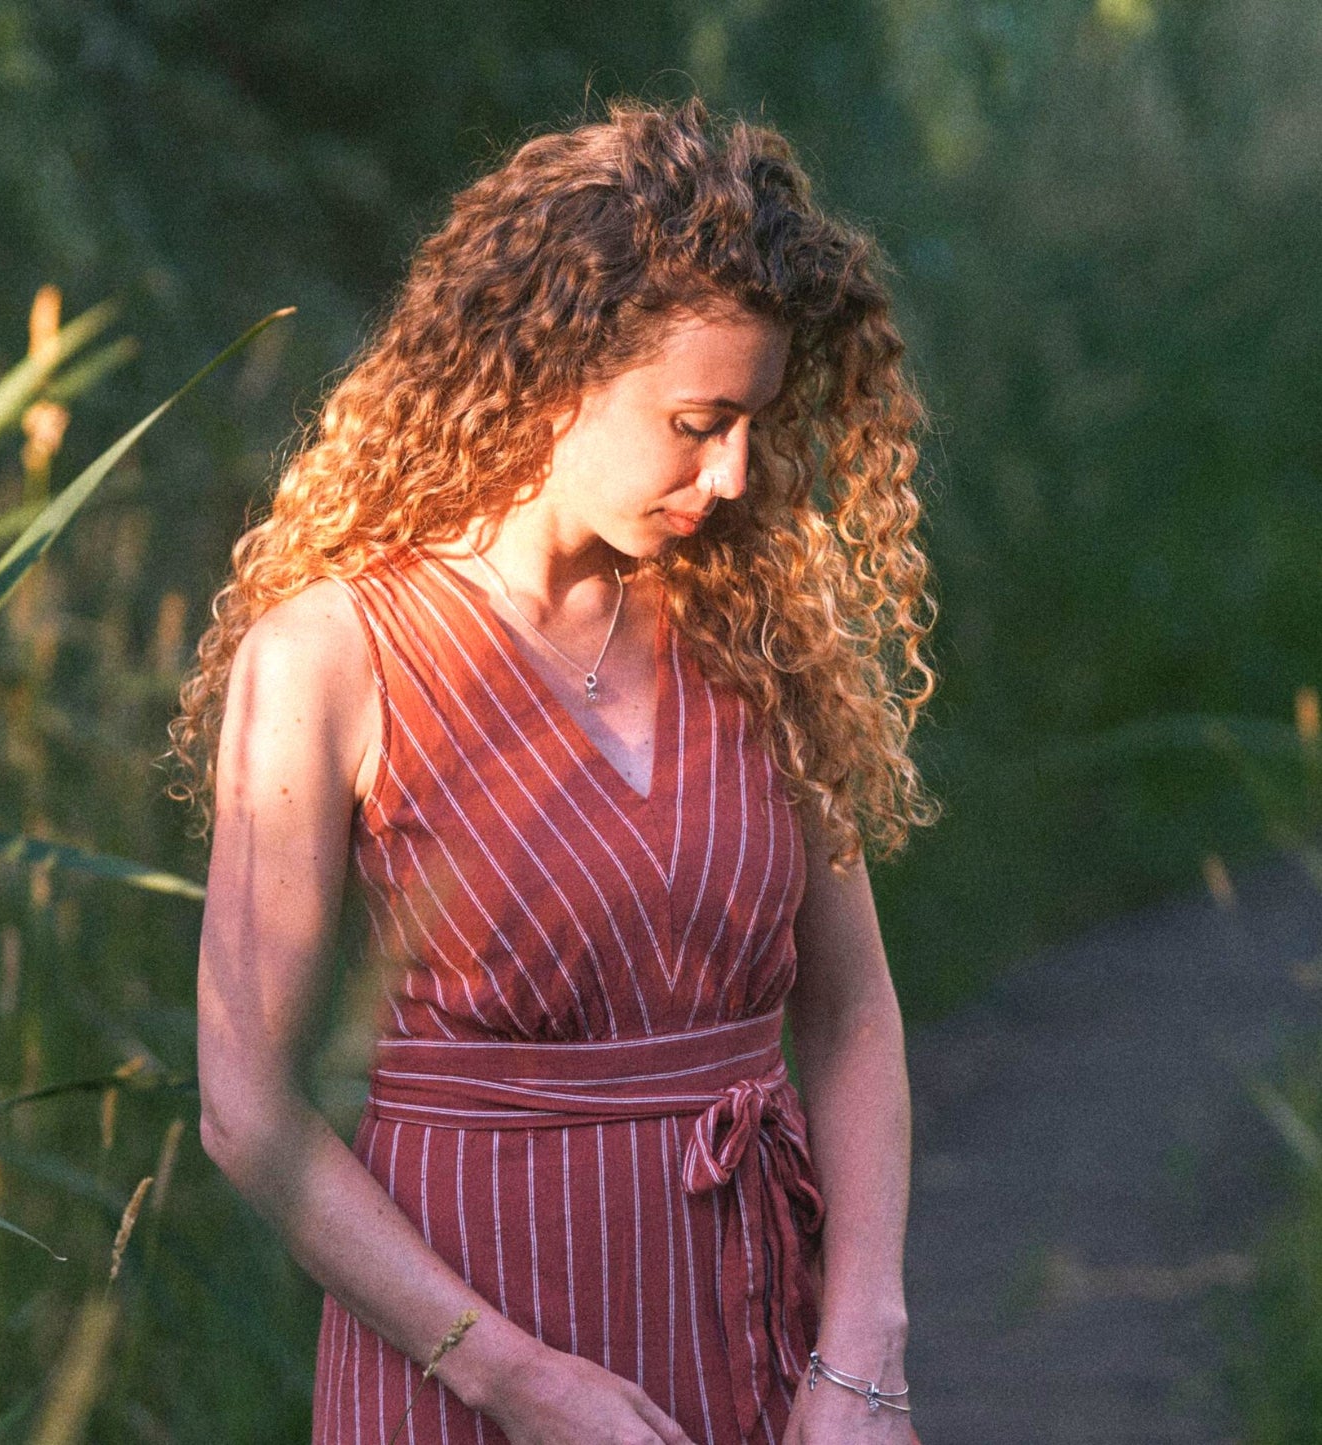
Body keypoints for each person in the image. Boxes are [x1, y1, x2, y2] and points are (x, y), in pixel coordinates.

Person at [169, 96, 939, 1445]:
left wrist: (859, 1346)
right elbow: (245, 1104)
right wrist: (508, 1376)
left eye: (753, 422)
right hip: (459, 1369)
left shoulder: (753, 634)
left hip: (757, 1345)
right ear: (554, 366)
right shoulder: (327, 654)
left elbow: (853, 1018)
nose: (732, 471)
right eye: (697, 420)